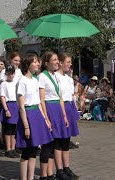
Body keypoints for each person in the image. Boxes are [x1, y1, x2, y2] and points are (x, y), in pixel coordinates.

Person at [15, 54, 53, 180]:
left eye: (38, 62)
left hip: (37, 115)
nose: (38, 64)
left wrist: (45, 119)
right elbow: (21, 107)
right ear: (27, 64)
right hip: (27, 115)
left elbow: (38, 103)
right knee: (26, 151)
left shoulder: (35, 80)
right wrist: (26, 126)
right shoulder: (22, 81)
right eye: (35, 62)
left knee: (34, 149)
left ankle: (31, 177)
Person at [38, 51, 71, 180]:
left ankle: (51, 173)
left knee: (55, 142)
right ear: (47, 63)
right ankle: (45, 175)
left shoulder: (55, 76)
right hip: (49, 108)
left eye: (58, 59)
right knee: (48, 144)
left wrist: (64, 115)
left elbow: (60, 97)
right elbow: (41, 99)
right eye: (55, 60)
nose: (57, 62)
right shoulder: (43, 76)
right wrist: (46, 118)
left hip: (57, 108)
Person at [55, 53, 79, 179]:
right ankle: (59, 170)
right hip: (60, 107)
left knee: (67, 140)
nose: (70, 64)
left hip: (69, 108)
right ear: (60, 62)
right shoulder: (55, 77)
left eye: (70, 62)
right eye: (68, 62)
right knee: (59, 140)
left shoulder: (69, 79)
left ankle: (66, 167)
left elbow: (71, 95)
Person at [0, 65, 20, 158]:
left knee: (14, 129)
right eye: (8, 73)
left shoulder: (17, 83)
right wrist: (6, 109)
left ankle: (13, 147)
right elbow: (2, 97)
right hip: (9, 104)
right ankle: (8, 148)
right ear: (6, 74)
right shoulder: (4, 84)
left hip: (16, 105)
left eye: (12, 73)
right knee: (8, 129)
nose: (10, 75)